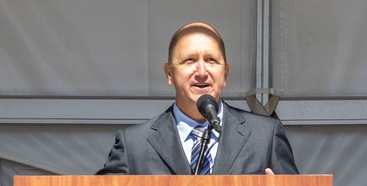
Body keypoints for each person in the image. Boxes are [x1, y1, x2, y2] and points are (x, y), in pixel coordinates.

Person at [96, 21, 299, 176]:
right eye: (189, 60)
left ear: (225, 73)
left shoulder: (265, 136)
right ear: (169, 74)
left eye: (211, 60)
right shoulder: (134, 145)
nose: (201, 72)